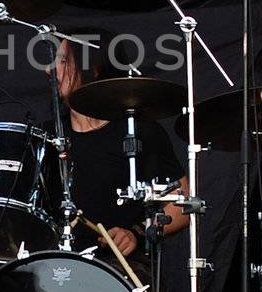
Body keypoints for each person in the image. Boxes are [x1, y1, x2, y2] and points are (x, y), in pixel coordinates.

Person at [51, 32, 190, 275]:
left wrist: (136, 232)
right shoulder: (46, 136)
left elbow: (184, 203)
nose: (50, 70)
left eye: (63, 61)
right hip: (53, 265)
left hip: (118, 271)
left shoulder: (137, 132)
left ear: (92, 70)